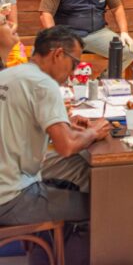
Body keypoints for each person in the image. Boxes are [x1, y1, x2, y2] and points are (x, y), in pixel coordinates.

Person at [0, 26, 111, 264]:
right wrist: (92, 132)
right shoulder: (44, 84)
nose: (72, 74)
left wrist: (64, 123)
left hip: (6, 187)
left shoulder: (10, 75)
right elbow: (67, 147)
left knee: (68, 185)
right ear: (58, 54)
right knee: (102, 206)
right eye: (74, 65)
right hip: (11, 197)